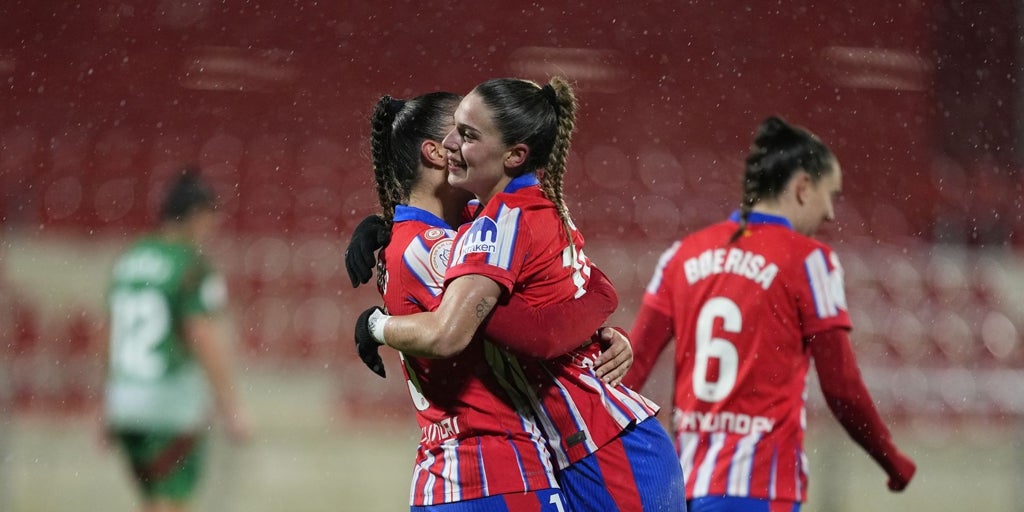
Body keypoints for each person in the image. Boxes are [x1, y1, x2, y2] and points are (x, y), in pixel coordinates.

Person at [355, 77, 687, 511]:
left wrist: (376, 323)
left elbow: (530, 334)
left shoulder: (497, 223)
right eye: (454, 131)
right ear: (432, 153)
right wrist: (601, 299)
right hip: (543, 457)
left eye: (469, 134)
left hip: (593, 445)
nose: (456, 142)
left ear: (512, 153)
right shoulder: (489, 224)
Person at [623, 116, 917, 512]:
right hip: (760, 491)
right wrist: (892, 460)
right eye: (831, 194)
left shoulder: (681, 255)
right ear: (802, 187)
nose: (830, 213)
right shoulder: (810, 261)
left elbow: (628, 371)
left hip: (685, 490)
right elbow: (842, 388)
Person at [101, 168, 251, 512]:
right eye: (211, 217)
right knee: (175, 503)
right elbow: (201, 334)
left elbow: (108, 331)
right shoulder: (191, 265)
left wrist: (106, 401)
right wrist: (232, 407)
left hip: (125, 401)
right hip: (169, 404)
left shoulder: (130, 259)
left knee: (152, 501)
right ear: (196, 215)